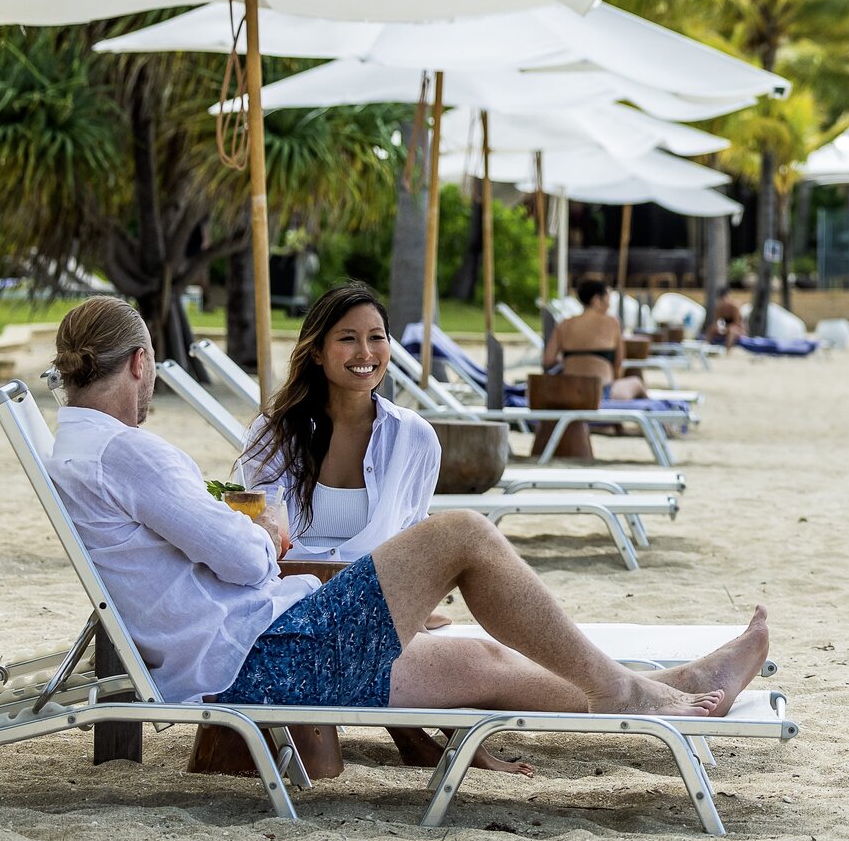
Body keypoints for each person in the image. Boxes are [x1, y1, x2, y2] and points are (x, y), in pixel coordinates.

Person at [43, 296, 765, 720]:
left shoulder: (77, 449)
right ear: (139, 362)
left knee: (481, 661)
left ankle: (679, 686)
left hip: (248, 655)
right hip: (261, 658)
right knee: (463, 533)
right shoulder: (128, 451)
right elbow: (240, 554)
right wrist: (261, 527)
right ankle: (631, 694)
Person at [234, 283, 435, 568]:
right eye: (348, 339)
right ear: (316, 352)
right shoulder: (273, 432)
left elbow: (413, 534)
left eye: (376, 337)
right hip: (284, 594)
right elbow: (260, 529)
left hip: (376, 597)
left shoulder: (413, 436)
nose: (365, 353)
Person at [543, 277, 647, 401]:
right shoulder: (612, 322)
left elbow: (548, 360)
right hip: (602, 392)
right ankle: (658, 420)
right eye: (607, 300)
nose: (609, 305)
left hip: (570, 390)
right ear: (596, 300)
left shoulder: (564, 324)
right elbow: (618, 362)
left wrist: (569, 360)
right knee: (636, 382)